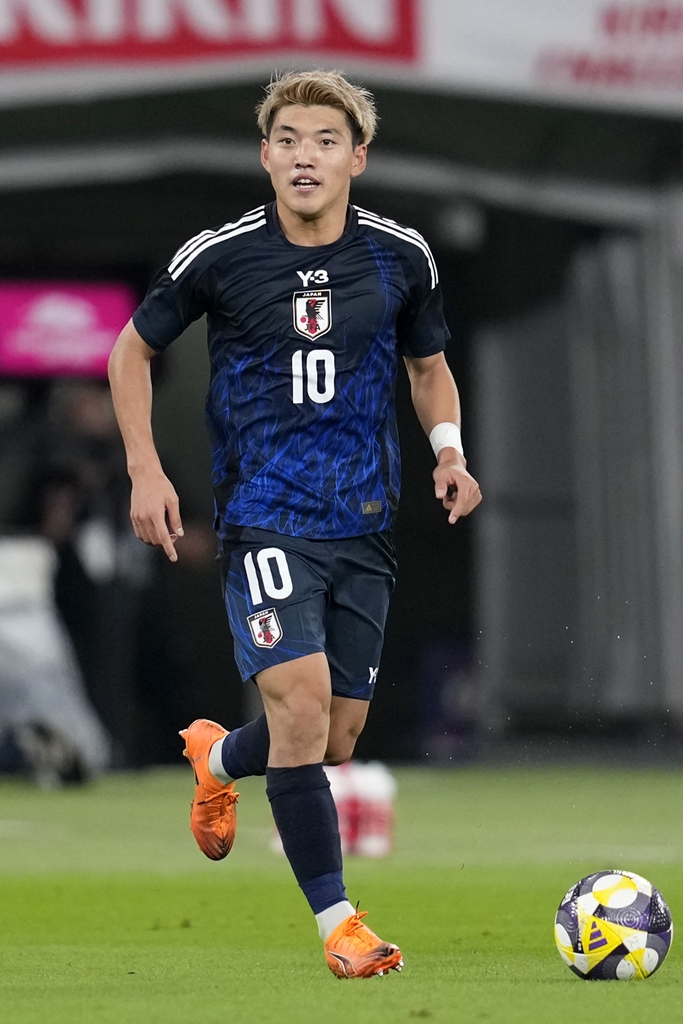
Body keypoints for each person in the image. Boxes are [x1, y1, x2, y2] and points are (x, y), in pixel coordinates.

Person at [108, 69, 481, 979]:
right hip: (265, 518)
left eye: (323, 140)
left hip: (363, 522)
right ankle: (339, 925)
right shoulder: (221, 255)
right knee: (303, 710)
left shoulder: (400, 255)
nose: (304, 155)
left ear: (357, 158)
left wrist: (448, 451)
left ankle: (218, 762)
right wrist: (146, 469)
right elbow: (131, 350)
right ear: (264, 156)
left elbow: (427, 366)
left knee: (335, 738)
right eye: (287, 140)